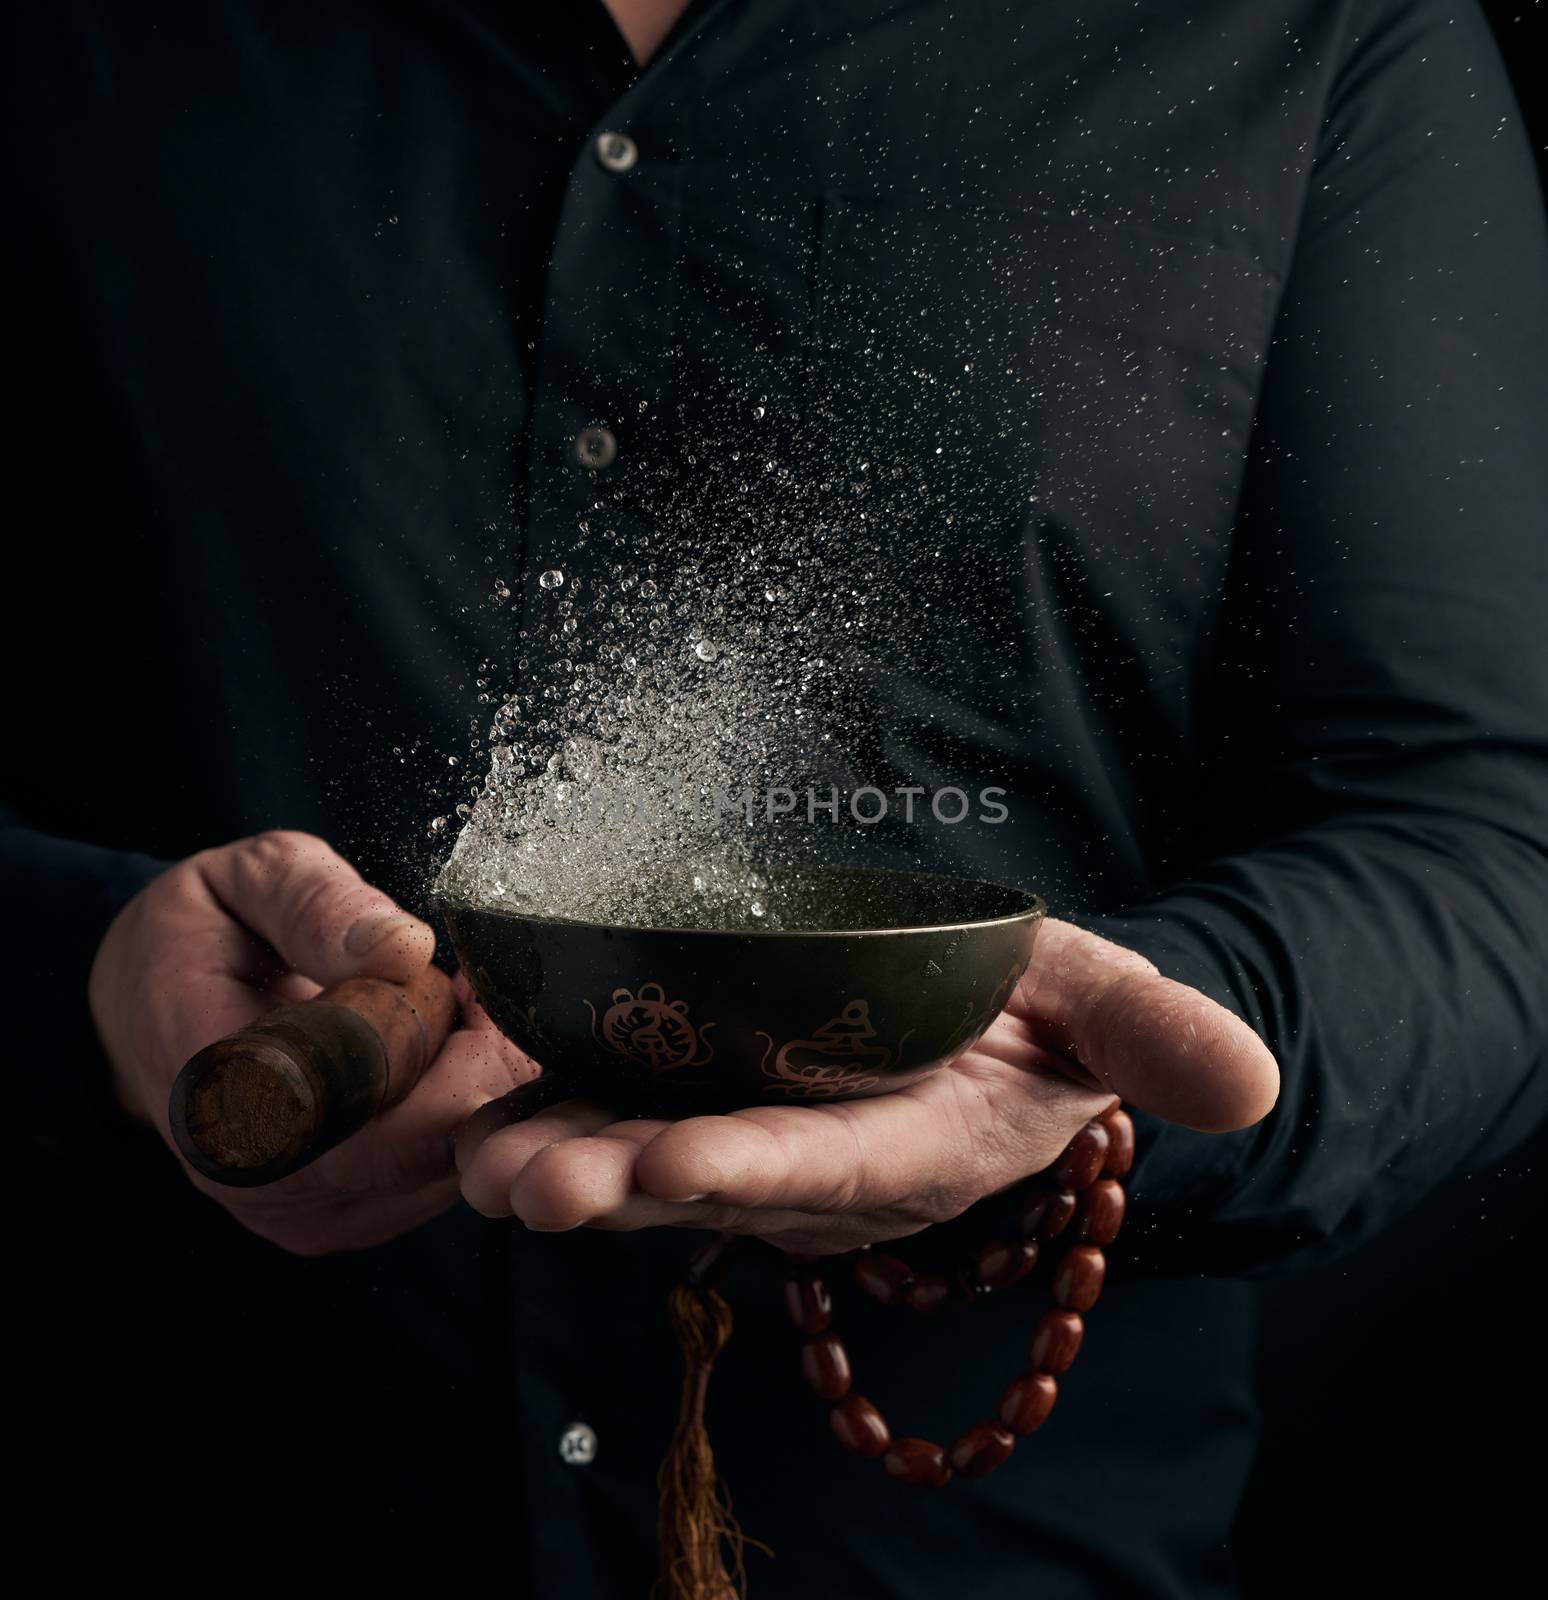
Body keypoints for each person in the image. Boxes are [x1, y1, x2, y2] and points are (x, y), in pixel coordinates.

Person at [8, 2, 1545, 1595]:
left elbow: (1488, 838)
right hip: (173, 1499)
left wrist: (1094, 1062)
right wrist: (80, 975)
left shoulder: (1316, 28)